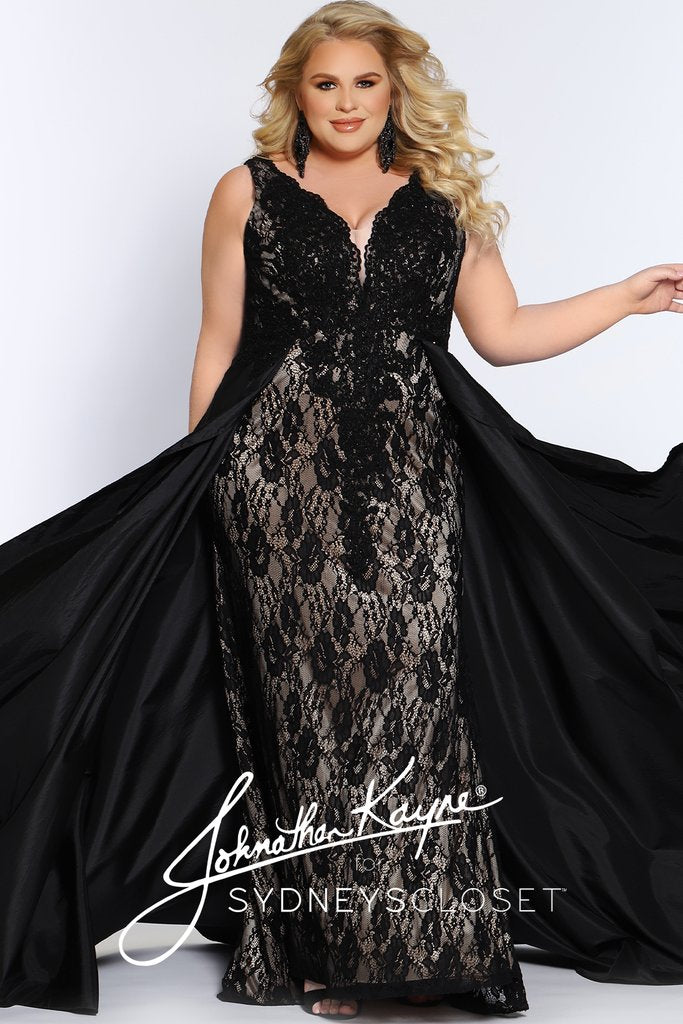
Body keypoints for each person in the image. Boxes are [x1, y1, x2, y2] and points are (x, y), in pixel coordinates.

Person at [2, 2, 683, 1020]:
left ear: (395, 90)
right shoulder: (246, 191)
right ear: (296, 91)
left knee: (415, 697)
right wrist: (202, 480)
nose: (346, 103)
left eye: (365, 83)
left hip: (413, 480)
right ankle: (333, 956)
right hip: (271, 483)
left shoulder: (443, 197)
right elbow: (217, 344)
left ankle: (426, 949)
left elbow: (501, 334)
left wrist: (624, 297)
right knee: (312, 709)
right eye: (325, 84)